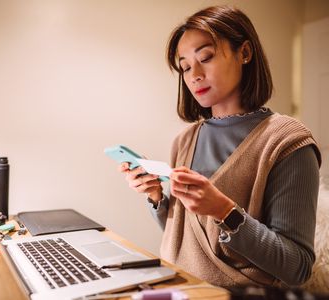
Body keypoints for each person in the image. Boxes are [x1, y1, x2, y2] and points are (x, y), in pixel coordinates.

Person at [118, 5, 321, 288]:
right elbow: (191, 240)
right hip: (177, 285)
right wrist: (156, 197)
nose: (194, 74)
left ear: (245, 53)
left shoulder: (287, 141)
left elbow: (297, 267)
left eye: (206, 57)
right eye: (185, 67)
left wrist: (225, 212)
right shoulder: (185, 140)